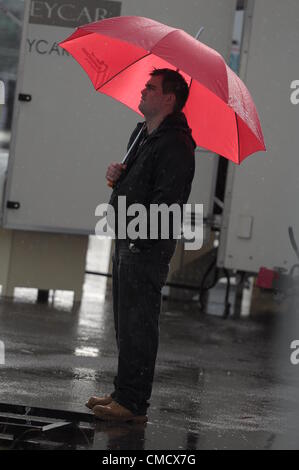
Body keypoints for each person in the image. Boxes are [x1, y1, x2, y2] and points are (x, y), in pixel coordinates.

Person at [86, 68, 196, 423]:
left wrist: (139, 237)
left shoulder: (176, 144)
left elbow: (168, 201)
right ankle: (123, 392)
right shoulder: (143, 132)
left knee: (139, 325)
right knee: (125, 323)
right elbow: (135, 182)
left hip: (145, 247)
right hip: (127, 240)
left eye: (151, 88)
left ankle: (133, 404)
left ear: (169, 98)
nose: (144, 91)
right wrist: (117, 175)